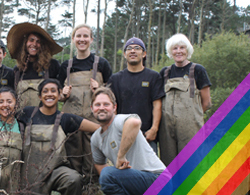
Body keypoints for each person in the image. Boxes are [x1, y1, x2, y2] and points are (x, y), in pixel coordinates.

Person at [18, 78, 100, 195]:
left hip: (54, 172)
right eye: (45, 91)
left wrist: (117, 125)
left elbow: (97, 128)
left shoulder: (65, 119)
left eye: (53, 91)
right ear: (40, 96)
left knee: (73, 179)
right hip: (28, 172)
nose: (49, 94)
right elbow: (6, 119)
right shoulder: (27, 113)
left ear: (59, 94)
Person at [58, 24, 112, 186]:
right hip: (71, 121)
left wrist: (100, 89)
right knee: (72, 156)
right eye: (78, 36)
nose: (82, 39)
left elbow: (111, 94)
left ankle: (93, 188)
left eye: (85, 36)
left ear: (91, 39)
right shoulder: (65, 66)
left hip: (94, 120)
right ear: (73, 39)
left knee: (94, 156)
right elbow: (55, 95)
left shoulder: (102, 64)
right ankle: (75, 188)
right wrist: (63, 94)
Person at [90, 87, 166, 195]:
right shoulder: (95, 138)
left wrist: (121, 156)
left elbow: (134, 122)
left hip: (158, 179)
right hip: (135, 181)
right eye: (97, 105)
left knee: (108, 174)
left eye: (106, 104)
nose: (102, 108)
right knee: (106, 175)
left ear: (114, 107)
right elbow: (99, 165)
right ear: (92, 108)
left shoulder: (118, 121)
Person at [159, 33, 212, 166]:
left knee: (192, 164)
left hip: (191, 128)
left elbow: (207, 102)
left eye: (182, 47)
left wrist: (191, 117)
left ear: (187, 50)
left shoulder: (198, 70)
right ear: (170, 52)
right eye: (175, 48)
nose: (179, 51)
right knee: (168, 164)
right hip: (167, 128)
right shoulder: (165, 72)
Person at [107, 37, 165, 154]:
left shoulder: (153, 77)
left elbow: (157, 105)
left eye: (137, 48)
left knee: (149, 171)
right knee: (123, 169)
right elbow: (112, 107)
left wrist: (154, 129)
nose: (133, 51)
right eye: (129, 48)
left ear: (144, 54)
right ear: (124, 54)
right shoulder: (115, 79)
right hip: (123, 135)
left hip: (147, 136)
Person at [7, 22, 63, 107]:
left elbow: (61, 92)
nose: (34, 44)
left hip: (46, 118)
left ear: (42, 45)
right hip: (21, 118)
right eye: (31, 40)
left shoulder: (52, 66)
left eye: (38, 41)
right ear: (25, 43)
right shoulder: (18, 69)